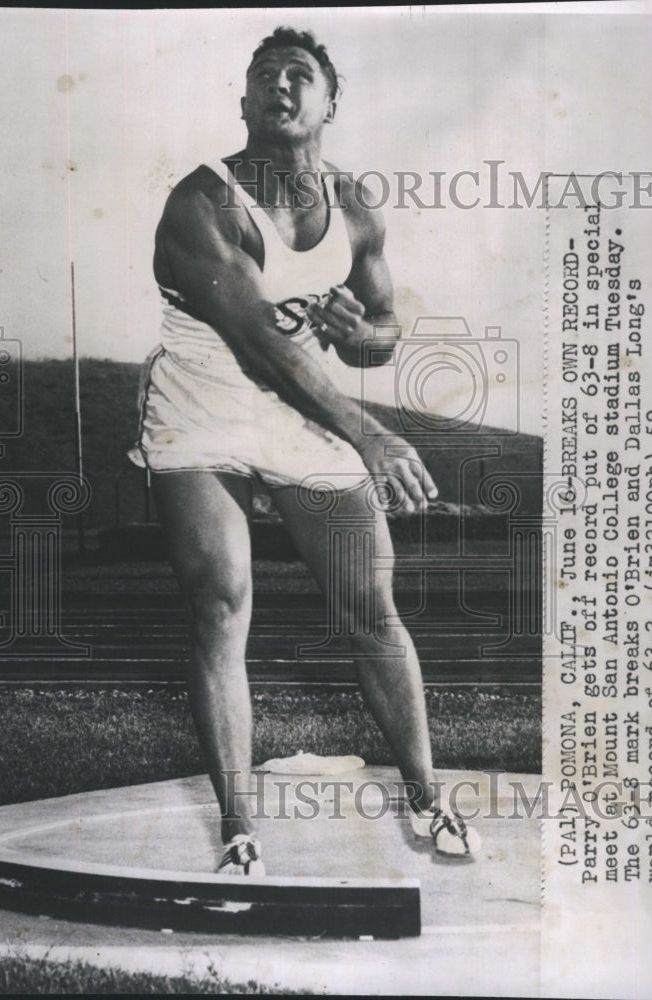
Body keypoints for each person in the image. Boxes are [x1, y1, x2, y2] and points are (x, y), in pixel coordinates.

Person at [130, 26, 480, 874]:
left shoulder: (354, 208)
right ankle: (239, 826)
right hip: (203, 403)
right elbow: (261, 344)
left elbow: (382, 329)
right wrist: (369, 430)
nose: (279, 86)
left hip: (297, 413)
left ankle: (430, 803)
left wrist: (364, 334)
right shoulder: (200, 202)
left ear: (329, 101)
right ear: (244, 101)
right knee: (221, 599)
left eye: (299, 75)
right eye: (263, 75)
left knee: (370, 606)